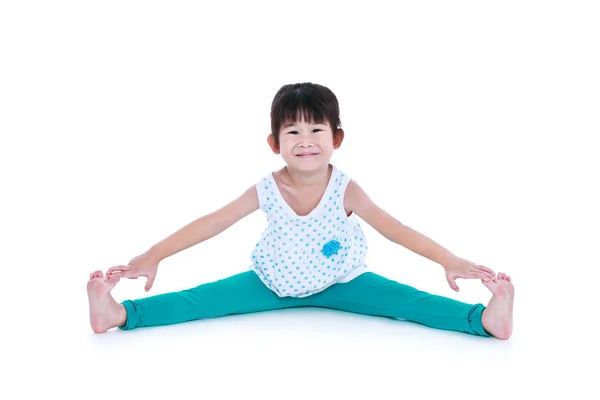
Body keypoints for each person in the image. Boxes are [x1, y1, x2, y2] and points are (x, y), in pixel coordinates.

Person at [87, 82, 514, 339]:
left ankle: (483, 321)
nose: (305, 139)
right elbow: (211, 223)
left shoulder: (346, 189)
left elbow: (396, 229)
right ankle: (118, 313)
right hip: (271, 282)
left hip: (344, 281)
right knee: (199, 301)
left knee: (410, 302)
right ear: (275, 143)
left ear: (336, 138)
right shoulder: (267, 189)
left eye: (316, 129)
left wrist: (450, 261)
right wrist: (153, 254)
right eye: (292, 130)